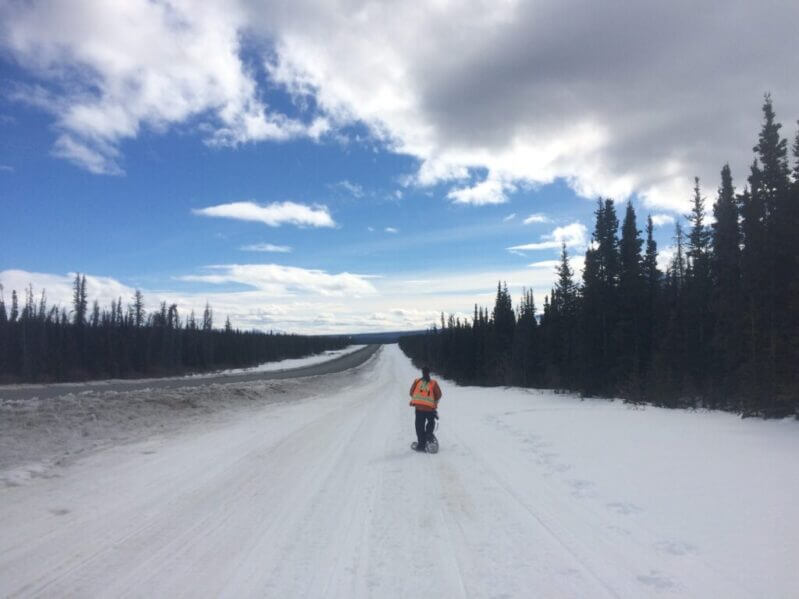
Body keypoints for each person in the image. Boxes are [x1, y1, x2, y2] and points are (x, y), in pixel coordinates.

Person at [409, 366, 442, 451]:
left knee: (419, 426)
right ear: (429, 373)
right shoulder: (433, 383)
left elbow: (411, 393)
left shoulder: (417, 381)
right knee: (430, 423)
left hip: (419, 408)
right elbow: (439, 395)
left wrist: (419, 398)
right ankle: (429, 437)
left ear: (422, 373)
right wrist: (433, 401)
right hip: (430, 409)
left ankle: (421, 445)